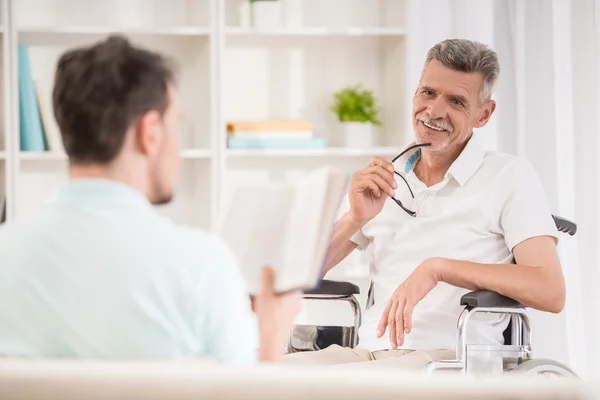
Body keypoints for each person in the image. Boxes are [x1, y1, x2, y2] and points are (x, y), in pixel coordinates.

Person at [0, 35, 301, 364]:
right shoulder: (201, 265)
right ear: (151, 133)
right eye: (177, 125)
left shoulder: (6, 252)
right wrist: (271, 335)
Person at [285, 38, 565, 369]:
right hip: (367, 354)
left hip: (448, 360)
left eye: (457, 101)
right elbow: (296, 277)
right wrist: (353, 220)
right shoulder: (385, 175)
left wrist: (438, 268)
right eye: (428, 93)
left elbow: (550, 290)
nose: (433, 111)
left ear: (483, 115)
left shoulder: (507, 175)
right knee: (261, 380)